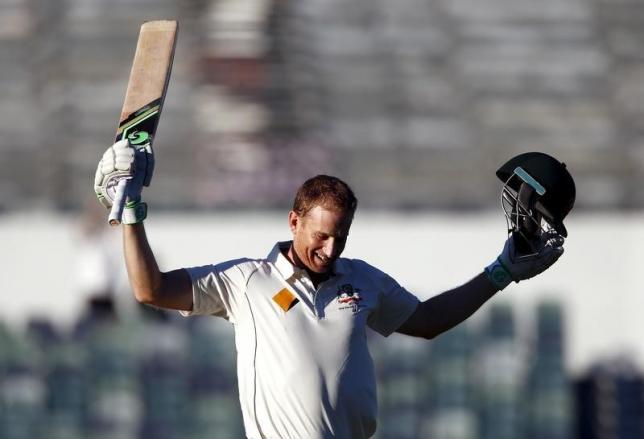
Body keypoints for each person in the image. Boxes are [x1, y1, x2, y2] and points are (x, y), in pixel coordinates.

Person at [94, 140, 567, 439]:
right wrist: (131, 211)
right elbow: (149, 289)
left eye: (341, 235)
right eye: (320, 235)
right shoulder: (246, 280)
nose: (330, 247)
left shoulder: (361, 278)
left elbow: (427, 322)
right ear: (294, 221)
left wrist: (502, 271)